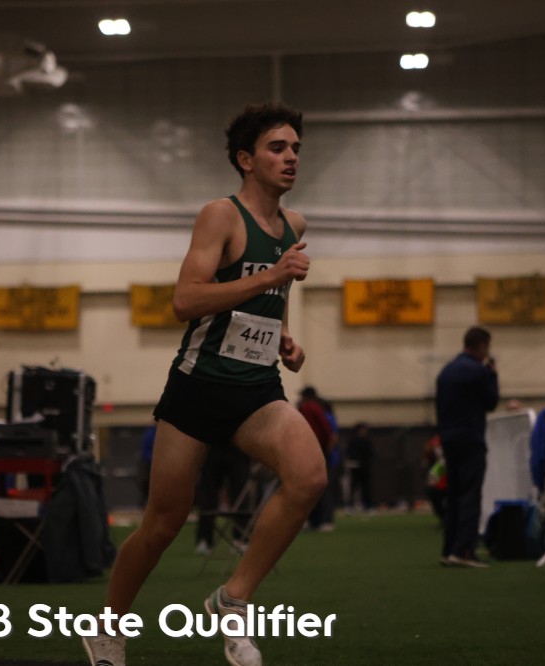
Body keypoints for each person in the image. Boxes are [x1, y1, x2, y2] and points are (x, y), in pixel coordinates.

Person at [84, 103, 326, 666]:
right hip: (199, 385)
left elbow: (270, 296)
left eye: (295, 148)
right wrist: (272, 276)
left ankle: (232, 598)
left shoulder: (295, 225)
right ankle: (107, 628)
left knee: (310, 477)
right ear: (246, 159)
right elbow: (186, 300)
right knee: (163, 523)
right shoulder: (220, 216)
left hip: (256, 389)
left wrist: (283, 337)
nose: (291, 157)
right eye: (277, 148)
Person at [435, 326, 499, 568]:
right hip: (471, 438)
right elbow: (491, 402)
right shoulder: (478, 371)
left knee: (453, 495)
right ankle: (464, 550)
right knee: (470, 495)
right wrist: (493, 375)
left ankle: (449, 549)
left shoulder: (446, 371)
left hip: (449, 439)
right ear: (481, 345)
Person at [195, 444, 252, 555]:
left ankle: (241, 539)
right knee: (208, 497)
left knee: (241, 497)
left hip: (238, 448)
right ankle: (204, 539)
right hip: (212, 447)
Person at [298, 386, 335, 531]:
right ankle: (320, 520)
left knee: (313, 485)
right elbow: (329, 433)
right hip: (319, 449)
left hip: (311, 449)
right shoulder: (318, 408)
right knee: (318, 485)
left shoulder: (307, 408)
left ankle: (319, 520)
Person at [346, 422, 373, 511]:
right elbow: (349, 452)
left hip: (364, 467)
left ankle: (367, 505)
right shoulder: (354, 441)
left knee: (366, 487)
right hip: (356, 467)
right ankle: (350, 506)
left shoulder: (366, 441)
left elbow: (371, 453)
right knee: (354, 487)